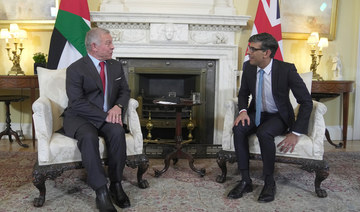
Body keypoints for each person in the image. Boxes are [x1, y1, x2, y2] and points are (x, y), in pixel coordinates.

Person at [227, 33, 313, 203]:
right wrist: (243, 110)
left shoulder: (286, 70)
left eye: (253, 49)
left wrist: (295, 132)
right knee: (238, 128)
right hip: (256, 112)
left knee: (264, 133)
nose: (248, 52)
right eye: (249, 48)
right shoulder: (249, 67)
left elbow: (306, 101)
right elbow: (243, 93)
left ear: (266, 53)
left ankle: (269, 182)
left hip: (278, 115)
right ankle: (245, 180)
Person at [63, 28, 131, 211]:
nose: (112, 47)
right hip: (80, 117)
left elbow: (125, 91)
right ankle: (101, 191)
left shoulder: (115, 66)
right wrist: (106, 115)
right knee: (88, 137)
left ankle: (116, 184)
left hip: (107, 116)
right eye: (108, 43)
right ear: (94, 46)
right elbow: (77, 103)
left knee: (117, 132)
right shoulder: (75, 69)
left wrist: (118, 107)